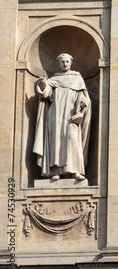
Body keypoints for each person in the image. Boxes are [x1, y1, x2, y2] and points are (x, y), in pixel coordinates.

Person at [33, 53, 91, 181]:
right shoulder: (54, 80)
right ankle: (55, 171)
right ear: (58, 63)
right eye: (62, 62)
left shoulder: (77, 79)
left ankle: (75, 170)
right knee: (56, 141)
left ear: (71, 62)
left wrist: (80, 111)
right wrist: (43, 84)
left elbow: (84, 98)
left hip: (71, 114)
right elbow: (46, 94)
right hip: (55, 113)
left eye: (67, 62)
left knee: (72, 138)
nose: (65, 64)